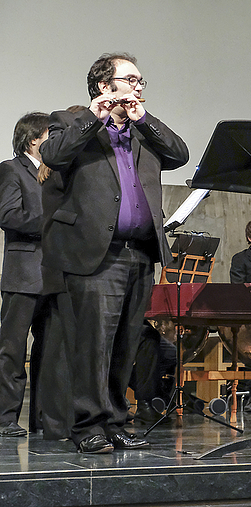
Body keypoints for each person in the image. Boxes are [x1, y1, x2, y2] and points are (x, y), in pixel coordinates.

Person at [40, 52, 189, 452]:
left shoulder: (144, 131)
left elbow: (180, 154)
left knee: (126, 344)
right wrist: (95, 116)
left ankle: (116, 421)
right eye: (132, 80)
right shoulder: (71, 122)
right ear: (106, 86)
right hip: (94, 253)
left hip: (139, 252)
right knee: (92, 345)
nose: (140, 86)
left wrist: (142, 117)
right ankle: (87, 424)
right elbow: (53, 157)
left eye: (142, 81)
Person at [0, 113, 50, 437]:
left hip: (53, 275)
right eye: (50, 135)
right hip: (23, 272)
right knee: (13, 350)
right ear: (33, 139)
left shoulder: (54, 173)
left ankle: (43, 419)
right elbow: (8, 215)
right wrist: (52, 222)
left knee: (48, 352)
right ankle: (5, 418)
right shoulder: (10, 169)